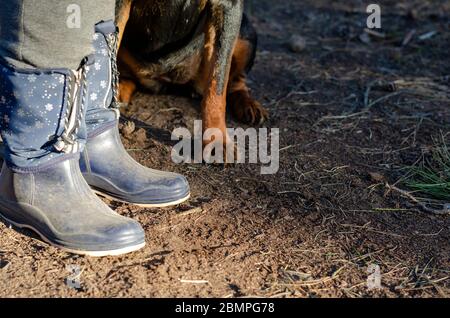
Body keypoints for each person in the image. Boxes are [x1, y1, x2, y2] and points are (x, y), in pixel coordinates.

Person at [0, 1, 190, 257]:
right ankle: (34, 173)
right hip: (38, 172)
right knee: (52, 12)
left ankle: (92, 138)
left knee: (89, 14)